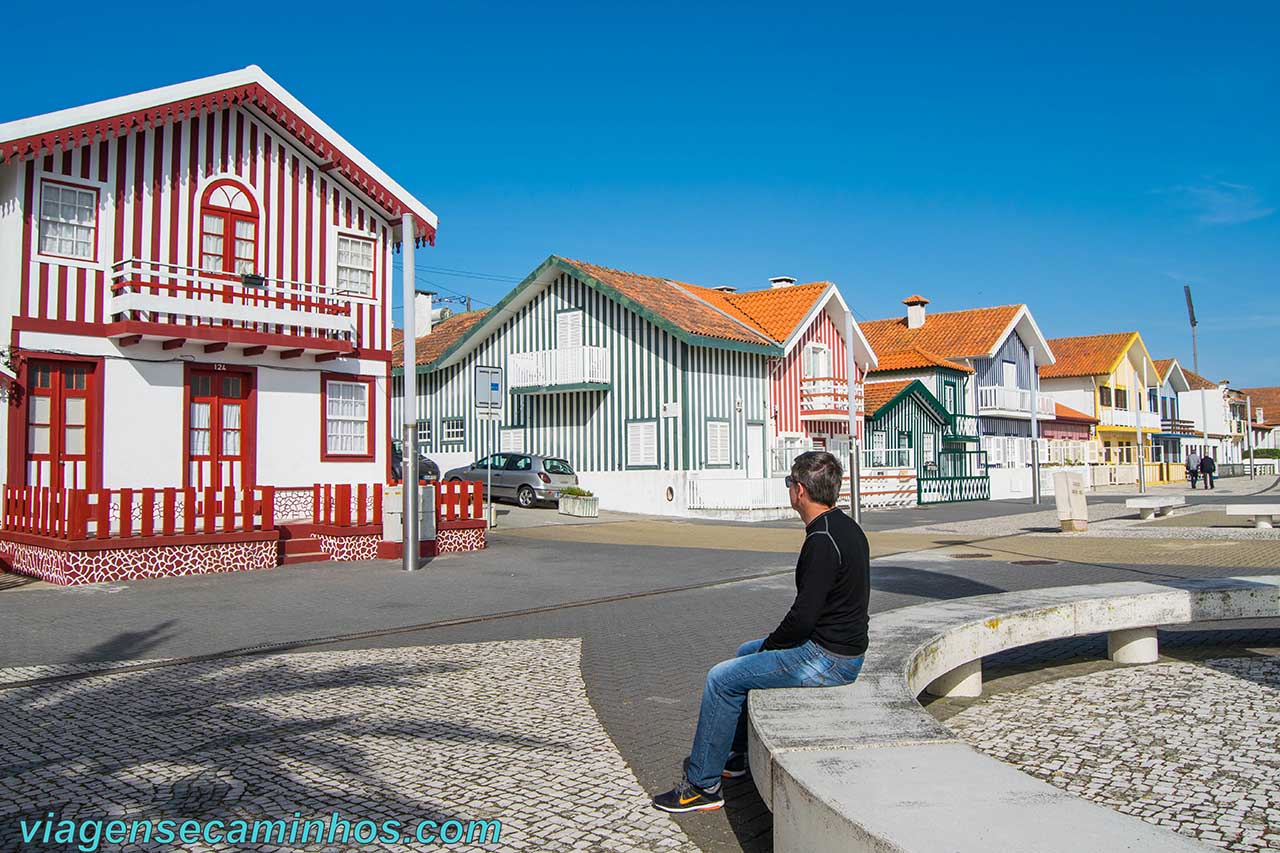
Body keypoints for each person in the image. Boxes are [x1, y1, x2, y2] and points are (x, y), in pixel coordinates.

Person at [651, 451, 870, 813]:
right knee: (743, 652)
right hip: (840, 647)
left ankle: (702, 787)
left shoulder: (821, 542)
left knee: (720, 679)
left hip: (829, 658)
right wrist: (764, 649)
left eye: (789, 483)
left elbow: (802, 618)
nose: (789, 489)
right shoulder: (846, 528)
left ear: (799, 490)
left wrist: (770, 647)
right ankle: (734, 755)